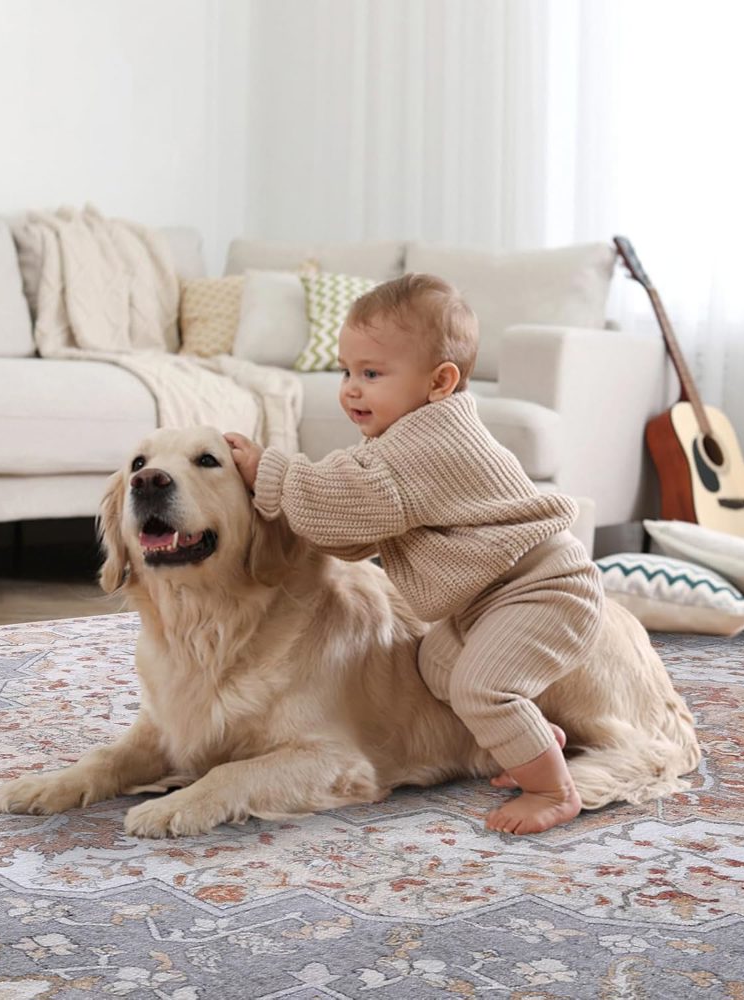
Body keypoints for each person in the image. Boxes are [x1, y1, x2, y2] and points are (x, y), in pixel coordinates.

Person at [225, 273, 603, 835]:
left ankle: (552, 789)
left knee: (482, 687)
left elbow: (348, 498)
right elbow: (354, 531)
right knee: (434, 665)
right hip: (493, 595)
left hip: (543, 588)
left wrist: (270, 471)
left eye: (372, 374)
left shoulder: (428, 444)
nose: (351, 388)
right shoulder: (402, 441)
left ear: (439, 382)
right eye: (346, 371)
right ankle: (533, 737)